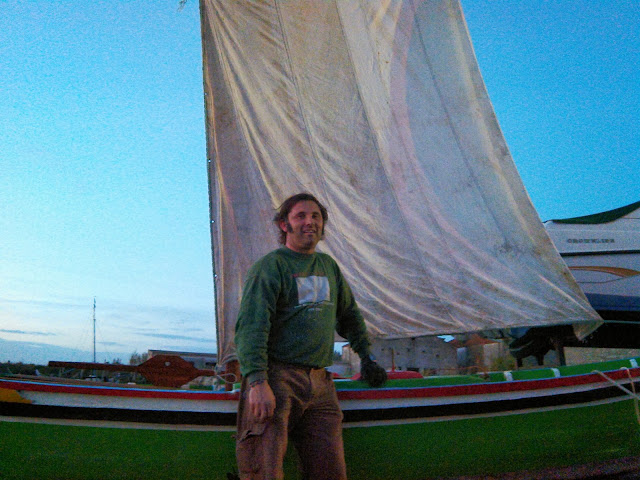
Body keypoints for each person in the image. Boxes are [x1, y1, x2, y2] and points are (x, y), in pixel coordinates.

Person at [234, 192, 387, 480]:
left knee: (331, 471)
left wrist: (366, 357)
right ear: (284, 225)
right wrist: (257, 381)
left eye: (316, 216)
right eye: (300, 216)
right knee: (265, 471)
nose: (310, 222)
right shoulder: (271, 267)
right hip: (277, 379)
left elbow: (349, 315)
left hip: (320, 383)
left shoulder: (328, 267)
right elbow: (252, 327)